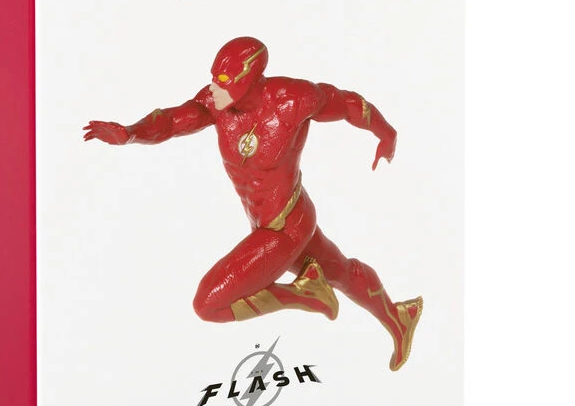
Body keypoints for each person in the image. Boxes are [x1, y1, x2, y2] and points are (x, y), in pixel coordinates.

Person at [83, 36, 422, 370]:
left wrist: (387, 134)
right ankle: (398, 318)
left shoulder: (292, 99)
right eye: (213, 77)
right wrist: (130, 133)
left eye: (223, 79)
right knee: (342, 273)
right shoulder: (215, 103)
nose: (213, 87)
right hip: (276, 221)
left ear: (248, 77)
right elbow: (171, 120)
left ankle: (306, 295)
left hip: (284, 228)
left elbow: (347, 104)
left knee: (207, 304)